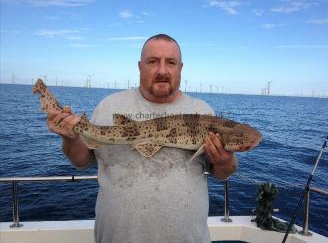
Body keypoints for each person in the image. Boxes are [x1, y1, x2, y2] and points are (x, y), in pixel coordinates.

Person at [47, 34, 238, 243]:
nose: (162, 70)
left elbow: (222, 173)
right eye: (153, 61)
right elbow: (82, 161)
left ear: (181, 67)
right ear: (140, 66)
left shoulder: (203, 113)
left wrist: (224, 161)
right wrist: (71, 139)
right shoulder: (109, 106)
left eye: (171, 62)